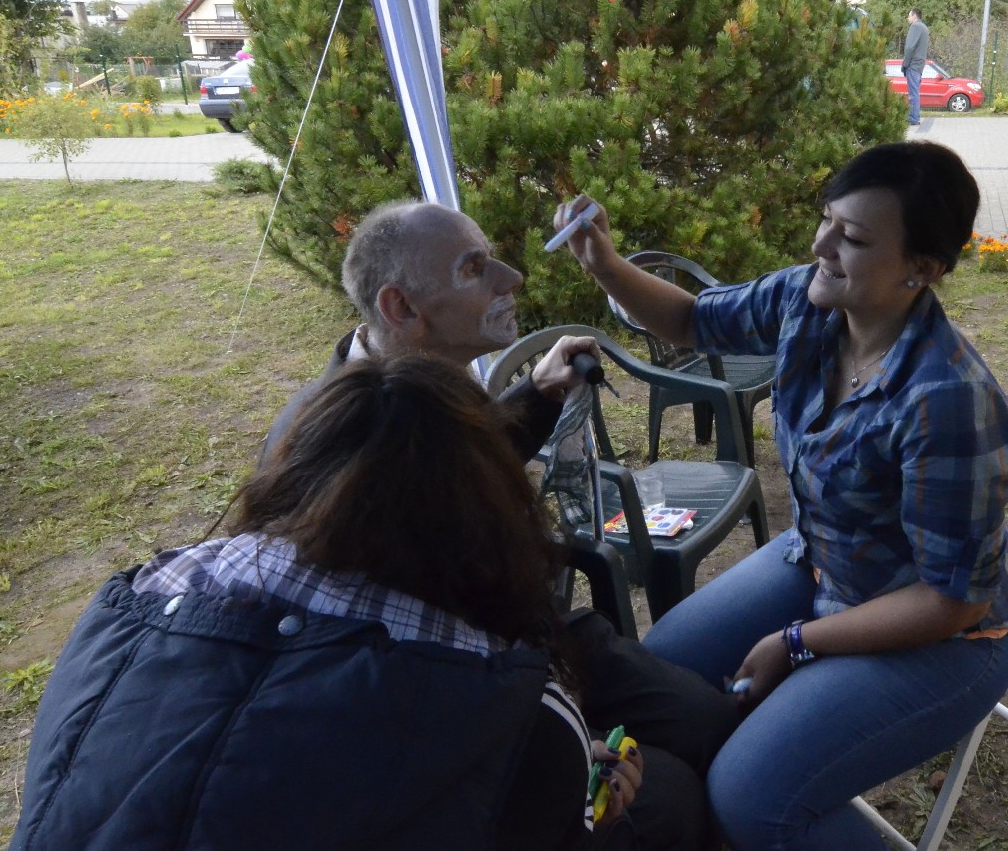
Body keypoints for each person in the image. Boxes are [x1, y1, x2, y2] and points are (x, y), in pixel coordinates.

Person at [553, 142, 1008, 850]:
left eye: (852, 237)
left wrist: (796, 643)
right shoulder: (806, 303)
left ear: (923, 270)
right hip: (824, 562)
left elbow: (954, 600)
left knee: (748, 797)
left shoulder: (948, 399)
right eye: (827, 219)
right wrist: (605, 263)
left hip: (943, 635)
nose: (820, 245)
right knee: (661, 674)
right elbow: (690, 321)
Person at [9, 356, 644, 849]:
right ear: (493, 513)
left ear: (291, 468)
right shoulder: (513, 703)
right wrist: (595, 812)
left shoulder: (136, 597)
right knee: (666, 801)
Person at [262, 200, 734, 851]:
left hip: (527, 636)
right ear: (402, 307)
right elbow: (389, 677)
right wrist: (559, 745)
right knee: (671, 794)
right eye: (474, 267)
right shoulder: (336, 449)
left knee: (706, 721)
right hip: (451, 686)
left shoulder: (427, 380)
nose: (512, 279)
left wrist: (537, 393)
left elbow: (458, 473)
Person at [901, 7, 929, 127]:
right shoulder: (924, 28)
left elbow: (909, 47)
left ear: (914, 16)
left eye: (909, 16)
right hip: (919, 65)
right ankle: (914, 116)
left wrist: (905, 64)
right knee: (915, 92)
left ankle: (913, 117)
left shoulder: (915, 27)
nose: (908, 18)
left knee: (913, 93)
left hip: (913, 64)